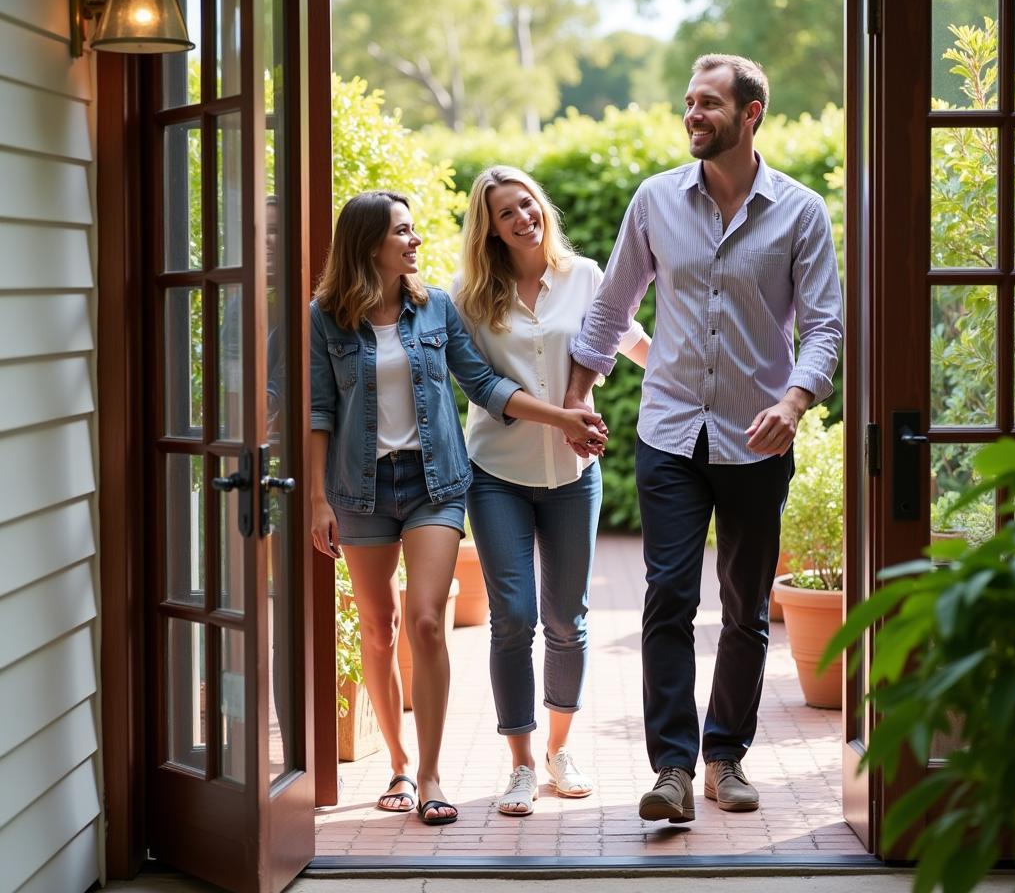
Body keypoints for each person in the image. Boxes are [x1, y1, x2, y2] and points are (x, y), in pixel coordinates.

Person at [565, 54, 843, 824]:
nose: (694, 114)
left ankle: (726, 755)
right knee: (668, 598)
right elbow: (611, 309)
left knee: (748, 607)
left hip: (758, 439)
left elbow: (825, 326)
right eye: (689, 102)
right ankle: (675, 770)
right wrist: (574, 402)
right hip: (669, 433)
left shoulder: (800, 211)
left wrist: (794, 401)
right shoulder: (655, 201)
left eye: (710, 104)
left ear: (750, 114)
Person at [309, 189, 607, 826]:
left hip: (434, 484)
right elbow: (318, 413)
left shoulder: (434, 308)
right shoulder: (325, 319)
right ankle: (394, 761)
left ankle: (431, 773)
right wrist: (316, 499)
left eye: (413, 231)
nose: (416, 241)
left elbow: (483, 384)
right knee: (379, 627)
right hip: (359, 490)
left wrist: (560, 416)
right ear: (369, 246)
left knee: (424, 621)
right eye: (403, 232)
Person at [452, 166, 649, 816]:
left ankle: (560, 752)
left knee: (568, 619)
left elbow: (630, 342)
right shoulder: (469, 298)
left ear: (543, 207)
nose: (522, 218)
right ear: (490, 229)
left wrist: (697, 378)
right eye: (506, 213)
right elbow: (483, 388)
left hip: (572, 478)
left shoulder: (587, 277)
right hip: (496, 474)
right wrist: (564, 417)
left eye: (527, 204)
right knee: (513, 617)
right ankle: (520, 764)